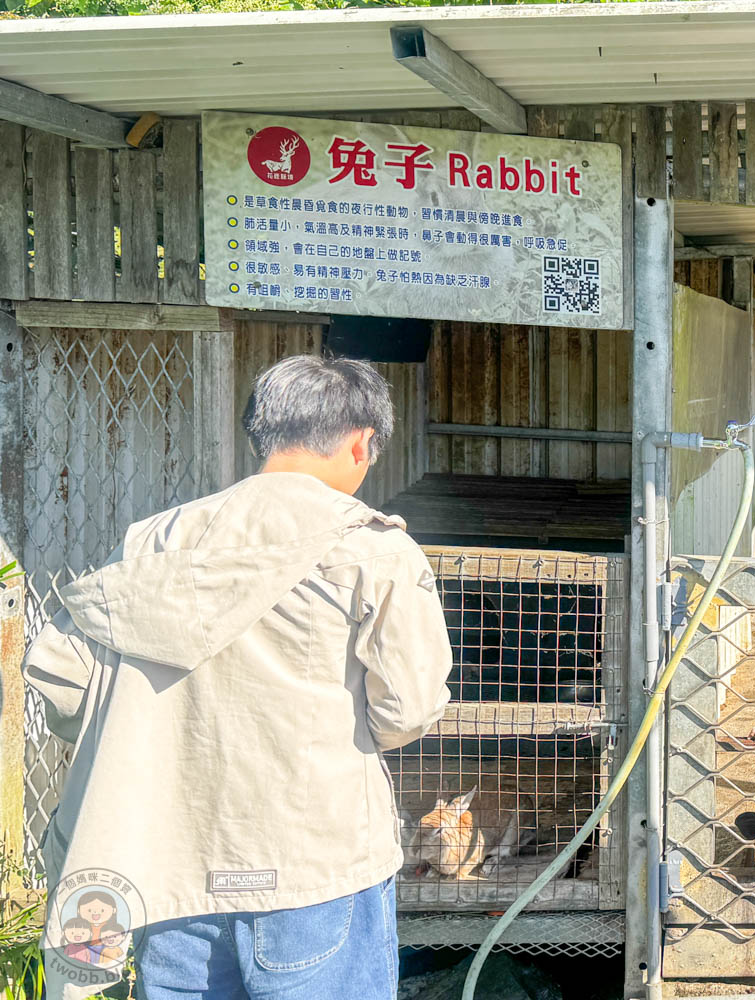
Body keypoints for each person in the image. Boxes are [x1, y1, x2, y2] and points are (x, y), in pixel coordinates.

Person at [23, 355, 453, 1000]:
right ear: (363, 444)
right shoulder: (371, 547)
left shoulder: (152, 540)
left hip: (171, 861)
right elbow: (408, 709)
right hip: (316, 862)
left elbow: (63, 681)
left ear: (265, 433)